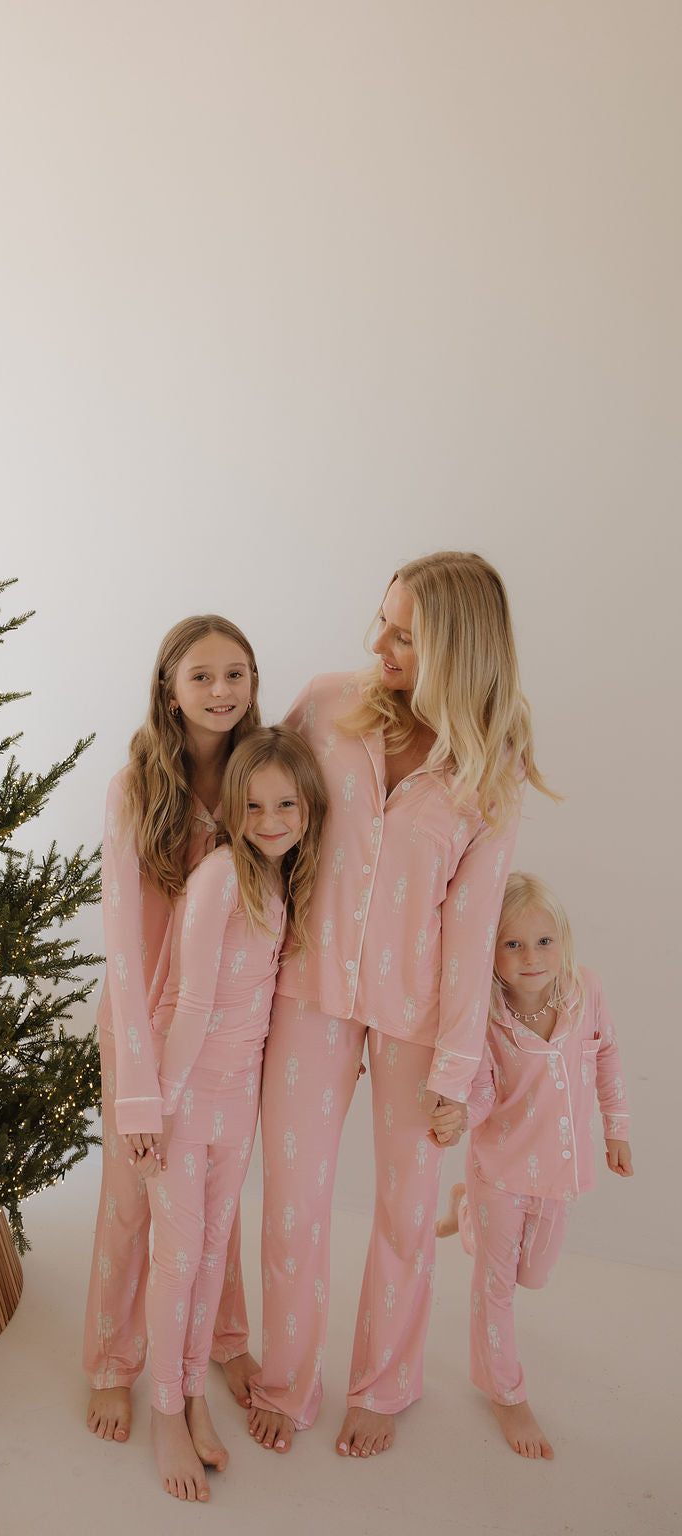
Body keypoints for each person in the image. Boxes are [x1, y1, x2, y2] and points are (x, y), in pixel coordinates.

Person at [248, 550, 555, 1458]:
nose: (376, 641)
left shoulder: (487, 765)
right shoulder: (322, 707)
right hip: (307, 988)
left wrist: (461, 1068)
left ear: (457, 651)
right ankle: (285, 1378)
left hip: (418, 1017)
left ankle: (385, 1382)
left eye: (404, 635)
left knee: (406, 1209)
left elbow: (471, 930)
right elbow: (262, 820)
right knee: (293, 1202)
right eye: (381, 618)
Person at [84, 615, 262, 1443]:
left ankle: (223, 1343)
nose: (222, 691)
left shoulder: (261, 782)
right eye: (203, 676)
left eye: (237, 674)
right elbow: (121, 941)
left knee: (212, 1201)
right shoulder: (135, 787)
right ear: (169, 687)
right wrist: (139, 1079)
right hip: (141, 1032)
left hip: (226, 1042)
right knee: (132, 1202)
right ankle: (115, 1363)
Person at [139, 727, 328, 1500]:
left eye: (287, 803)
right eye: (254, 805)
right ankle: (162, 1412)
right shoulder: (220, 878)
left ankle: (190, 1396)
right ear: (233, 810)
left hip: (235, 1109)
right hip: (184, 1102)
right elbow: (188, 1005)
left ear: (309, 805)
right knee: (178, 1260)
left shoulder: (279, 884)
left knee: (212, 1257)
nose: (273, 817)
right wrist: (157, 1106)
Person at [433, 870, 632, 1460]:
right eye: (513, 944)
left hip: (558, 1177)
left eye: (543, 942)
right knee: (495, 1286)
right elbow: (483, 1090)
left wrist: (617, 1129)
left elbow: (609, 1056)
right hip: (500, 1170)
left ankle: (461, 1211)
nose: (531, 957)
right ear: (489, 951)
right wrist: (461, 1117)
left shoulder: (584, 991)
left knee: (535, 1274)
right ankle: (505, 1390)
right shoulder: (487, 1016)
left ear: (563, 940)